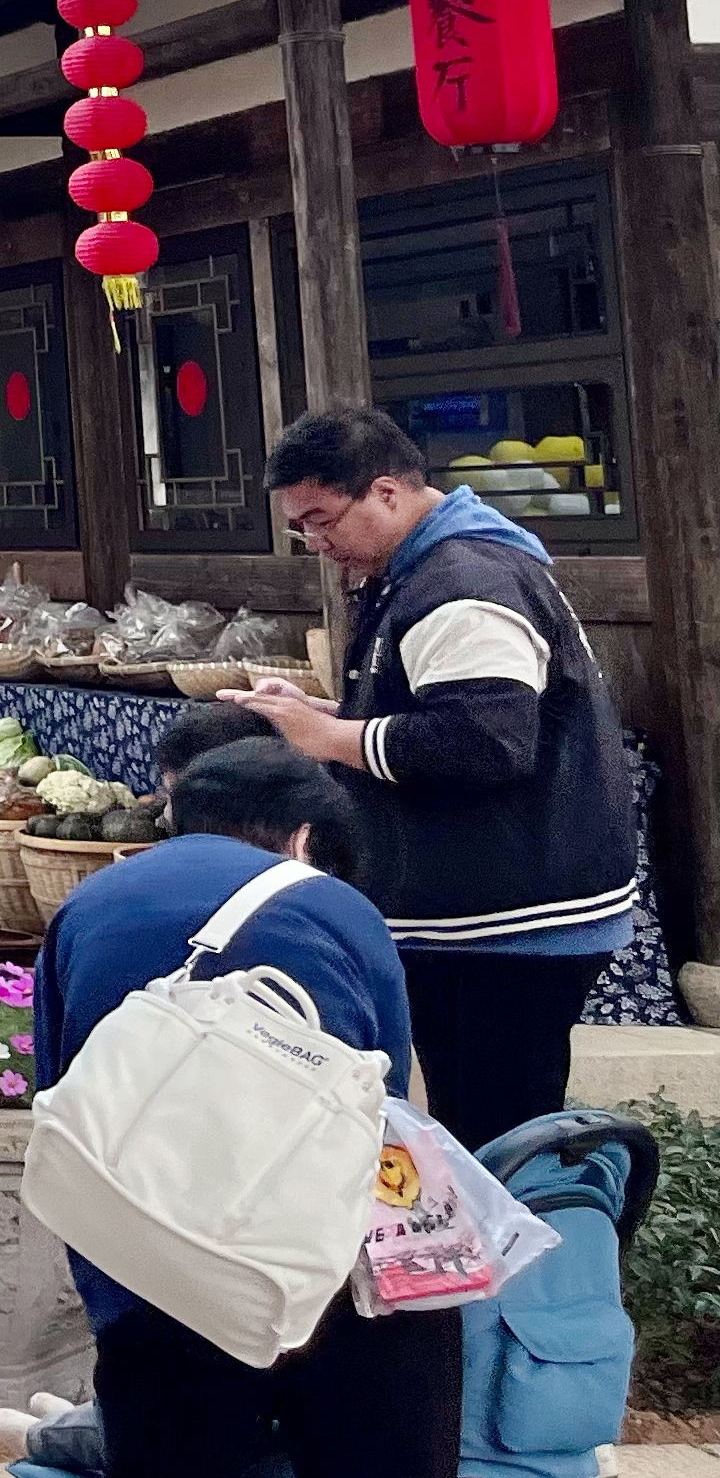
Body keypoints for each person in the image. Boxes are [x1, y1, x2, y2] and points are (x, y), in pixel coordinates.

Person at [31, 741, 454, 1478]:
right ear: (303, 837)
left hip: (151, 1269)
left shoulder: (89, 902)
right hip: (319, 1280)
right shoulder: (335, 907)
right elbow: (386, 1111)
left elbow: (58, 1084)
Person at [236, 403, 637, 1144]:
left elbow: (486, 743)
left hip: (511, 920)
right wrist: (330, 715)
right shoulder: (422, 567)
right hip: (485, 909)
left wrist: (333, 736)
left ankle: (531, 1225)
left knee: (500, 1134)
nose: (315, 542)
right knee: (473, 1124)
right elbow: (444, 708)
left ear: (386, 492)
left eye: (322, 520)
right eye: (300, 528)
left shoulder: (463, 583)